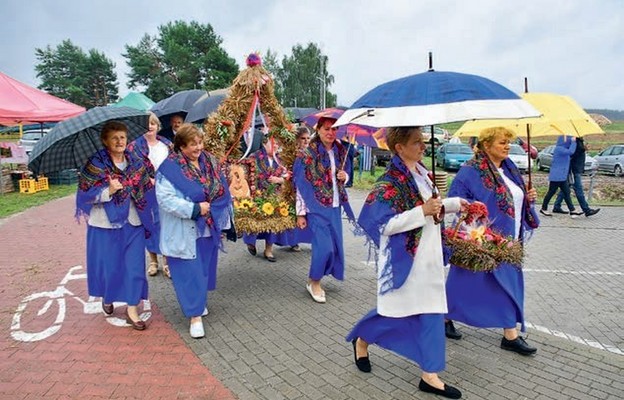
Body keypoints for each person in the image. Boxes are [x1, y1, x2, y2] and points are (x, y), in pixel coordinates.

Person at [347, 126, 465, 399]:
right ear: (399, 147)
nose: (423, 148)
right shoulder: (389, 182)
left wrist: (457, 204)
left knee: (432, 312)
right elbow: (384, 224)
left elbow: (432, 208)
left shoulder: (423, 175)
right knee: (394, 312)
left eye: (423, 142)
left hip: (429, 257)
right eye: (416, 143)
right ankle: (362, 339)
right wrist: (421, 211)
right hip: (406, 260)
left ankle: (430, 375)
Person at [445, 126, 540, 356]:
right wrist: (474, 224)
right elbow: (457, 201)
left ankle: (510, 334)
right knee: (463, 280)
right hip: (485, 240)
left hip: (510, 239)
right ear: (486, 145)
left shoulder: (510, 169)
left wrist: (528, 198)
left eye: (508, 142)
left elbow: (514, 198)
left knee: (508, 282)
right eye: (502, 142)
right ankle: (444, 315)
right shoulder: (470, 171)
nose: (508, 146)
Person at [76, 121, 157, 331]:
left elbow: (148, 179)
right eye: (114, 138)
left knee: (135, 268)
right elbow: (84, 196)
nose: (120, 141)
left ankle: (132, 309)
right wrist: (107, 191)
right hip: (105, 225)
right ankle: (108, 297)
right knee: (110, 269)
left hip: (134, 222)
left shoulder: (136, 161)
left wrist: (151, 184)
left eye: (122, 137)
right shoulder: (95, 164)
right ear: (105, 141)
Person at [155, 123, 233, 338]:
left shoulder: (209, 161)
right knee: (189, 272)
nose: (198, 148)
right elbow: (165, 199)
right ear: (181, 146)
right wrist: (195, 208)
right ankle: (194, 316)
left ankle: (198, 302)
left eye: (200, 142)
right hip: (184, 229)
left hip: (208, 228)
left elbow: (221, 187)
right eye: (192, 144)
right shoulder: (169, 168)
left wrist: (219, 211)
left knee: (203, 268)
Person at [293, 116, 356, 303]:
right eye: (326, 128)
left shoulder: (341, 151)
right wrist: (300, 213)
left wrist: (345, 176)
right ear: (318, 130)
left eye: (334, 129)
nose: (330, 133)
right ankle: (314, 282)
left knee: (335, 246)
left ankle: (317, 276)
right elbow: (300, 185)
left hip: (335, 206)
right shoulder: (308, 154)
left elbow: (347, 177)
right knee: (324, 247)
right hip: (316, 207)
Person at [127, 111, 173, 278]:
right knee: (148, 225)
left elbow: (176, 165)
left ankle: (167, 262)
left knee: (166, 225)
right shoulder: (133, 147)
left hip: (166, 190)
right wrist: (148, 180)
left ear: (157, 126)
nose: (149, 127)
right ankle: (153, 261)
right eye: (146, 124)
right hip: (144, 192)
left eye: (152, 124)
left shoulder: (167, 144)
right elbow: (131, 169)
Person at [243, 136, 292, 262]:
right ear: (265, 143)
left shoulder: (280, 159)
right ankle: (251, 242)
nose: (276, 146)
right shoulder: (254, 157)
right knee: (255, 220)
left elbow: (288, 176)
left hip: (274, 196)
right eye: (273, 143)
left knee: (272, 223)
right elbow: (246, 175)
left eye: (277, 144)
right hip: (257, 195)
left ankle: (268, 250)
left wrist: (279, 180)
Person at [553, 137, 600, 217]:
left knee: (566, 187)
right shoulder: (573, 139)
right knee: (578, 189)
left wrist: (583, 148)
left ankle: (557, 206)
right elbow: (572, 153)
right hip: (574, 168)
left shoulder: (578, 140)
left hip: (576, 168)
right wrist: (583, 149)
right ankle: (586, 209)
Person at [540, 135, 580, 217]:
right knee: (551, 192)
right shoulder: (559, 149)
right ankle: (543, 208)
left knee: (566, 192)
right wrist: (573, 142)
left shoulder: (563, 149)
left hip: (561, 175)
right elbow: (571, 152)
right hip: (557, 175)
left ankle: (572, 210)